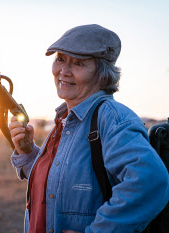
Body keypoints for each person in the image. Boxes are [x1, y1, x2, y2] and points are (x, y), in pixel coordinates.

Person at [9, 24, 169, 233]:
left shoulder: (112, 118)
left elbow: (150, 182)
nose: (63, 71)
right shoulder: (65, 119)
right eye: (60, 59)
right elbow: (60, 186)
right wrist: (30, 154)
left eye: (78, 63)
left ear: (101, 74)